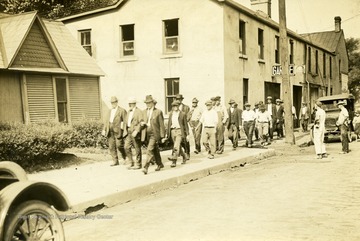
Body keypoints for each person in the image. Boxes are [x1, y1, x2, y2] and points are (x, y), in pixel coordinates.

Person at [140, 95, 166, 175]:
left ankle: (145, 167)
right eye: (146, 103)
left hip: (154, 134)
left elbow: (162, 125)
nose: (148, 104)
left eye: (149, 103)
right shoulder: (144, 112)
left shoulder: (158, 112)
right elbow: (141, 120)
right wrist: (141, 123)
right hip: (146, 134)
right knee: (154, 150)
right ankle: (160, 164)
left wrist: (163, 136)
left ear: (153, 103)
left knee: (149, 150)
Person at [102, 96, 127, 166]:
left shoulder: (122, 110)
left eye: (114, 102)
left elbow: (125, 121)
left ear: (117, 102)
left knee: (119, 145)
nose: (113, 104)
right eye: (112, 103)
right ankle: (115, 161)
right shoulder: (109, 111)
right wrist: (104, 129)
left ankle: (124, 157)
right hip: (110, 131)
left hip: (118, 131)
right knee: (111, 146)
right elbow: (106, 121)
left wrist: (124, 130)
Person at [167, 100, 189, 167]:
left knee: (176, 146)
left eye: (176, 106)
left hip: (179, 131)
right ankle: (184, 156)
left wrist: (187, 134)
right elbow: (169, 124)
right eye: (174, 106)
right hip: (173, 131)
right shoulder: (171, 114)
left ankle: (174, 161)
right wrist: (167, 133)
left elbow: (185, 125)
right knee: (177, 146)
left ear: (179, 106)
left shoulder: (182, 114)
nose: (175, 107)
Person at [124, 97, 143, 170]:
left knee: (137, 148)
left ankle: (138, 164)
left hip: (135, 132)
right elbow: (126, 122)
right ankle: (131, 162)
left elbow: (141, 122)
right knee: (126, 147)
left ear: (135, 104)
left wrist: (137, 130)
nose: (130, 105)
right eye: (129, 104)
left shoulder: (139, 112)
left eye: (131, 103)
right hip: (129, 131)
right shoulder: (129, 112)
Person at [176, 94, 191, 159]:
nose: (178, 101)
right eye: (177, 99)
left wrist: (185, 121)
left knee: (185, 140)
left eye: (180, 99)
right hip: (177, 126)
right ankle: (180, 153)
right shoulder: (174, 107)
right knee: (178, 140)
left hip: (184, 126)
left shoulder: (186, 107)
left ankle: (187, 152)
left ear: (182, 100)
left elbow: (188, 116)